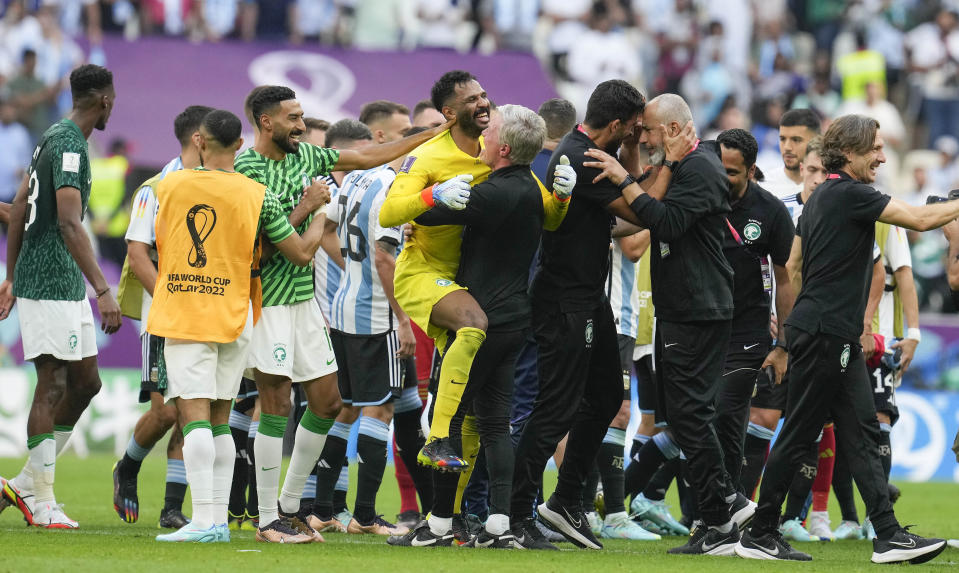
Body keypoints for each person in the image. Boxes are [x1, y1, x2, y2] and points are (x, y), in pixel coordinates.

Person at [234, 85, 452, 543]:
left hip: (305, 302)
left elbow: (371, 156)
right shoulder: (246, 170)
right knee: (274, 405)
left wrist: (430, 137)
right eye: (292, 117)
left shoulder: (308, 157)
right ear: (266, 121)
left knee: (329, 403)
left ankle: (291, 504)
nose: (301, 124)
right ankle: (267, 517)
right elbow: (266, 242)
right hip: (267, 301)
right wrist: (309, 208)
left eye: (301, 115)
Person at [736, 114, 955, 564]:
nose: (881, 155)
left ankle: (888, 535)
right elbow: (917, 217)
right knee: (800, 434)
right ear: (851, 151)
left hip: (827, 332)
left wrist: (797, 328)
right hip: (827, 333)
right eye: (875, 147)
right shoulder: (852, 195)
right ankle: (759, 531)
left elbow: (794, 265)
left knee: (859, 433)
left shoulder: (820, 197)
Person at [388, 104, 572, 549]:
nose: (482, 139)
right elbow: (551, 217)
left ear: (504, 149)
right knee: (493, 425)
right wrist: (562, 199)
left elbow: (414, 214)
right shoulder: (531, 188)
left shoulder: (490, 194)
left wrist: (425, 202)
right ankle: (498, 524)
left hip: (479, 322)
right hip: (514, 321)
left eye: (491, 136)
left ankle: (435, 527)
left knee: (450, 426)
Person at [508, 80, 677, 552]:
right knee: (555, 407)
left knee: (604, 397)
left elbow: (620, 218)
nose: (642, 137)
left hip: (589, 297)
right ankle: (517, 514)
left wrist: (630, 161)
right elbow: (645, 213)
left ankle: (564, 502)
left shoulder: (596, 155)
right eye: (637, 130)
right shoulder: (580, 157)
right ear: (620, 124)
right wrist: (667, 162)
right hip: (565, 301)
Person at [149, 109, 330, 543]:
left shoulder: (170, 184)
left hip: (186, 310)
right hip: (237, 314)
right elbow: (295, 251)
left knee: (193, 419)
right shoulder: (258, 194)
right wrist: (317, 209)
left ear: (199, 141)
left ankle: (207, 521)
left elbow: (160, 238)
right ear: (240, 146)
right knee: (220, 419)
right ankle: (215, 526)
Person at [584, 94, 753, 556]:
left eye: (651, 131)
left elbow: (667, 222)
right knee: (683, 417)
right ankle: (725, 510)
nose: (645, 137)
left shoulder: (700, 167)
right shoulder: (686, 166)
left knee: (690, 418)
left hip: (698, 307)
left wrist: (622, 178)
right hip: (685, 307)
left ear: (676, 129)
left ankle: (721, 514)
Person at [0, 64, 121, 530]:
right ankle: (42, 500)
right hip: (51, 281)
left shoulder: (51, 136)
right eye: (114, 99)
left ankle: (28, 484)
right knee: (51, 384)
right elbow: (69, 223)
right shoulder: (69, 144)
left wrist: (9, 278)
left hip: (59, 281)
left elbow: (17, 213)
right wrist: (104, 289)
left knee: (86, 383)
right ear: (104, 100)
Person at [313, 99, 415, 537]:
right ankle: (366, 516)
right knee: (381, 409)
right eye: (404, 132)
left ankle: (320, 509)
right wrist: (404, 319)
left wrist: (346, 269)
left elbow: (326, 226)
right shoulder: (392, 187)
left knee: (346, 410)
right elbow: (383, 257)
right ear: (380, 137)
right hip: (377, 316)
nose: (411, 139)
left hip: (342, 309)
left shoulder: (353, 179)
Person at [111, 105, 214, 530]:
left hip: (207, 312)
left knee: (194, 408)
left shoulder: (217, 186)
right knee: (168, 411)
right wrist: (170, 299)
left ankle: (173, 506)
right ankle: (128, 467)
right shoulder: (155, 188)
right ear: (199, 140)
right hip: (164, 315)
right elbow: (137, 255)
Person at [712, 128, 794, 522]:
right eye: (719, 169)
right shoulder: (699, 198)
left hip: (748, 332)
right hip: (702, 328)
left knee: (724, 409)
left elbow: (785, 277)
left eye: (731, 172)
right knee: (721, 424)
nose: (723, 179)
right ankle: (721, 513)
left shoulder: (770, 211)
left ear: (751, 170)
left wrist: (784, 345)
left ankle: (728, 503)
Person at [756, 108, 821, 200]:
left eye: (796, 140)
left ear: (815, 140)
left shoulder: (828, 187)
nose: (787, 147)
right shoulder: (763, 186)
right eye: (782, 139)